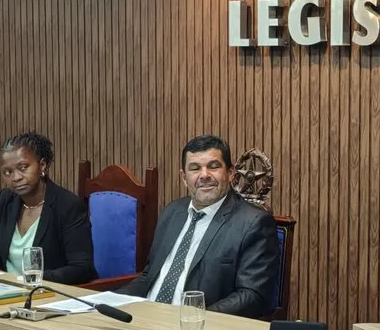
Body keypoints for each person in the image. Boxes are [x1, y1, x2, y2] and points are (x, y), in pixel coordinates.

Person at [117, 135, 280, 317]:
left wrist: (194, 319)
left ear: (230, 173)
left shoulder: (254, 223)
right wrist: (109, 301)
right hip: (146, 318)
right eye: (195, 168)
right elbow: (149, 276)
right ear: (184, 177)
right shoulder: (172, 212)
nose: (204, 175)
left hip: (199, 326)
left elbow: (252, 296)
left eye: (213, 166)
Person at [0, 132, 97, 285]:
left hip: (47, 292)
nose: (16, 177)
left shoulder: (67, 205)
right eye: (8, 172)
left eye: (23, 167)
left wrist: (32, 280)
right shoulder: (6, 200)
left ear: (42, 165)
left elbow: (82, 268)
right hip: (6, 290)